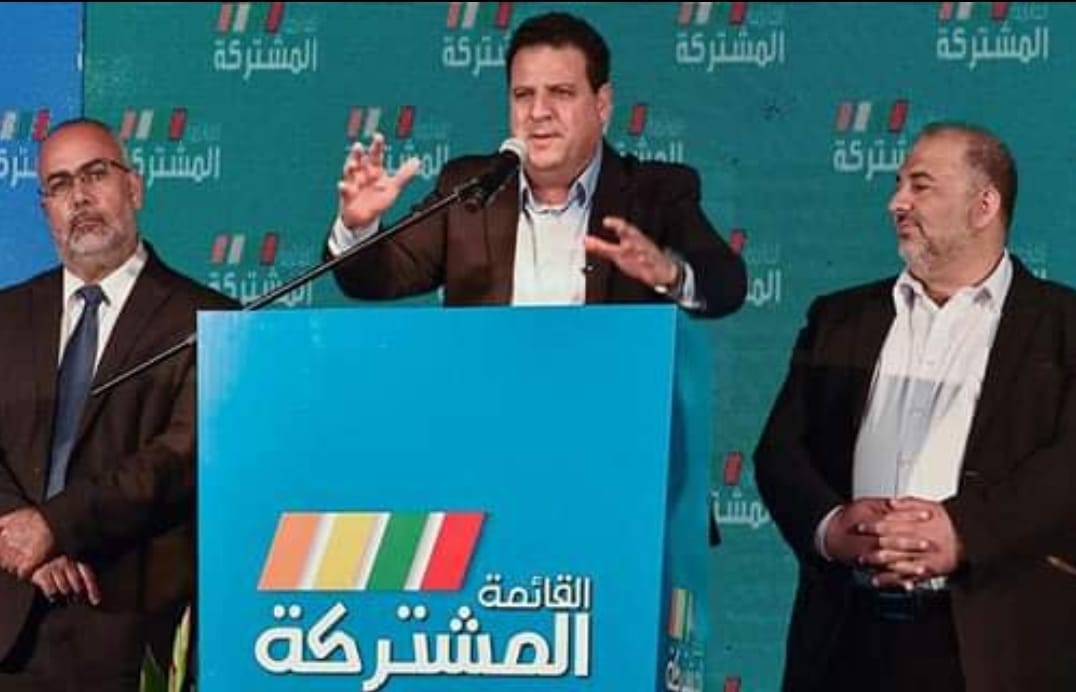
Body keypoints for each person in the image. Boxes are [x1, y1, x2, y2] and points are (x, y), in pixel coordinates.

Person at [754, 122, 1076, 691]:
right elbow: (781, 451)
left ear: (984, 205)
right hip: (845, 642)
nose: (896, 202)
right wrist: (830, 526)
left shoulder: (1062, 325)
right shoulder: (839, 318)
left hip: (997, 647)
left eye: (920, 186)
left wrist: (966, 531)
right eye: (899, 184)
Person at [0, 118, 235, 691]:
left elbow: (178, 458)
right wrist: (20, 536)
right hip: (10, 622)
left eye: (95, 174)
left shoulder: (207, 320)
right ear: (45, 210)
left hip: (130, 632)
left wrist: (55, 526)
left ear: (134, 187)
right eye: (59, 184)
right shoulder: (7, 316)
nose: (79, 197)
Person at [326, 11, 746, 318]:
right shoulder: (471, 187)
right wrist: (357, 227)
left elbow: (726, 285)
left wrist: (671, 274)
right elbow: (376, 278)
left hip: (608, 409)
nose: (538, 112)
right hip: (489, 408)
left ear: (602, 105)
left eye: (561, 92)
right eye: (523, 95)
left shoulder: (655, 193)